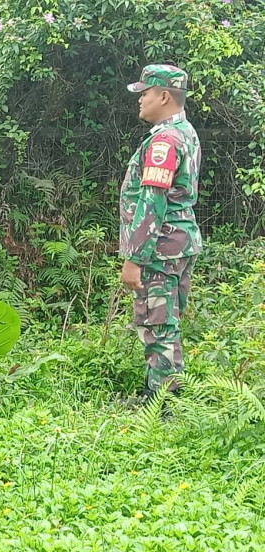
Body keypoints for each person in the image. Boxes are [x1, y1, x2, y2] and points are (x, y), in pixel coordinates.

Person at [119, 64, 202, 402]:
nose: (140, 100)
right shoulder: (186, 132)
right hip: (180, 243)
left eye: (145, 93)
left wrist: (134, 258)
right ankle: (156, 392)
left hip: (160, 248)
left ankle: (163, 406)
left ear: (164, 96)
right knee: (165, 321)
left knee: (157, 326)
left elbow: (151, 202)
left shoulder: (164, 142)